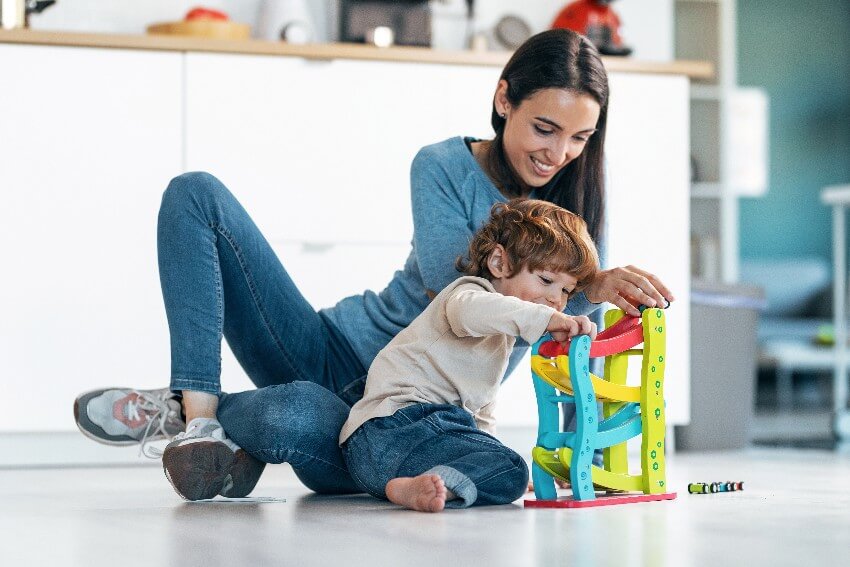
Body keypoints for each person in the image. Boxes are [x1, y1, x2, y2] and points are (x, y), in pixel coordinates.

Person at [72, 28, 674, 501]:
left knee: (293, 417)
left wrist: (584, 461)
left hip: (400, 422)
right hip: (331, 349)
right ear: (503, 98)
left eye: (579, 138)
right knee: (195, 194)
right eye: (545, 128)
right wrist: (589, 282)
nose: (558, 154)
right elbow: (455, 292)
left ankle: (226, 426)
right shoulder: (440, 165)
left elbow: (571, 349)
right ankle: (199, 414)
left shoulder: (579, 214)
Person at [341, 199, 599, 512]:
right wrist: (546, 319)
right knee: (512, 466)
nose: (556, 300)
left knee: (511, 472)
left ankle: (421, 487)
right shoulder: (468, 294)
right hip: (395, 426)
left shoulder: (500, 336)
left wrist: (487, 454)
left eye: (566, 291)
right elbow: (472, 312)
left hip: (389, 459)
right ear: (499, 264)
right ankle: (447, 478)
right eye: (546, 280)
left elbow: (481, 409)